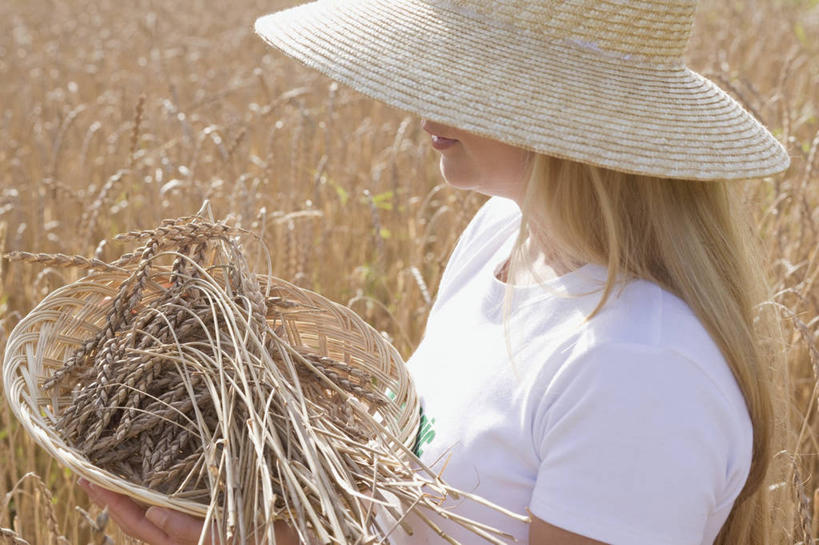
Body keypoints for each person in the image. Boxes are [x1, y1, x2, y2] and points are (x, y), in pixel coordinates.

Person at [81, 0, 793, 544]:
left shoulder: (641, 372)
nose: (417, 106)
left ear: (562, 112)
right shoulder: (503, 238)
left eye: (462, 77)